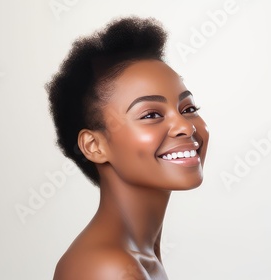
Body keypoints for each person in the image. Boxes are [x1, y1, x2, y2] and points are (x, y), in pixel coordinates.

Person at [46, 16, 209, 280]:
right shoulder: (107, 269)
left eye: (188, 109)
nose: (186, 127)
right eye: (151, 115)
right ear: (94, 145)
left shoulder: (139, 255)